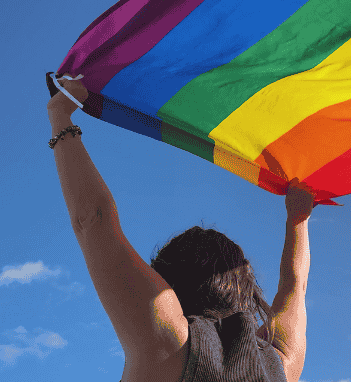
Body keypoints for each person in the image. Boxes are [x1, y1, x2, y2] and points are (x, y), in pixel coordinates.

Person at [47, 73, 312, 382]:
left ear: (166, 281)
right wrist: (299, 217)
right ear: (244, 288)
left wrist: (59, 114)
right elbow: (296, 285)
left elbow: (93, 219)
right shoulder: (279, 364)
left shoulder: (169, 338)